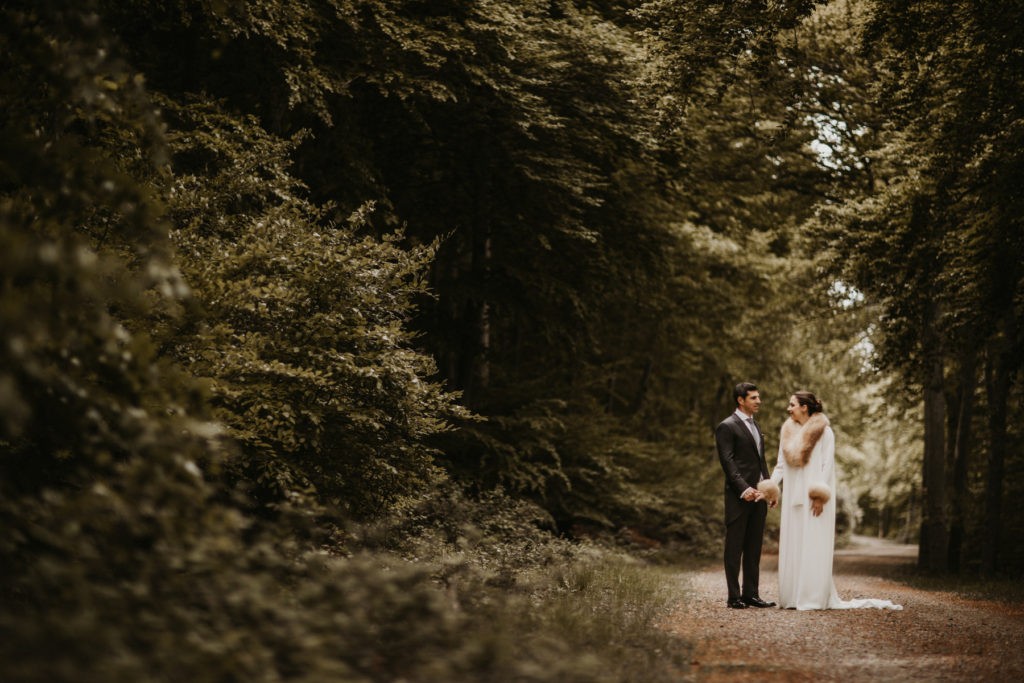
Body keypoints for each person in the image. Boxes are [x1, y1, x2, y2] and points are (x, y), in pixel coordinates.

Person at [757, 391, 902, 611]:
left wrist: (819, 496)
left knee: (813, 543)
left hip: (814, 498)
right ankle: (793, 597)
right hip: (793, 497)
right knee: (794, 543)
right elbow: (780, 465)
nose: (789, 408)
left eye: (792, 404)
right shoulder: (787, 432)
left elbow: (827, 467)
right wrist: (769, 488)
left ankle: (812, 597)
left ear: (805, 407)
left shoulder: (825, 432)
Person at [715, 382, 775, 609]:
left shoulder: (756, 426)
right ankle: (734, 597)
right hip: (738, 497)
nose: (759, 401)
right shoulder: (726, 427)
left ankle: (751, 594)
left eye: (758, 397)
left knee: (753, 547)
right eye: (754, 398)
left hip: (760, 495)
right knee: (734, 547)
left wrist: (770, 489)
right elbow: (727, 462)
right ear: (740, 400)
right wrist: (743, 489)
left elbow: (761, 462)